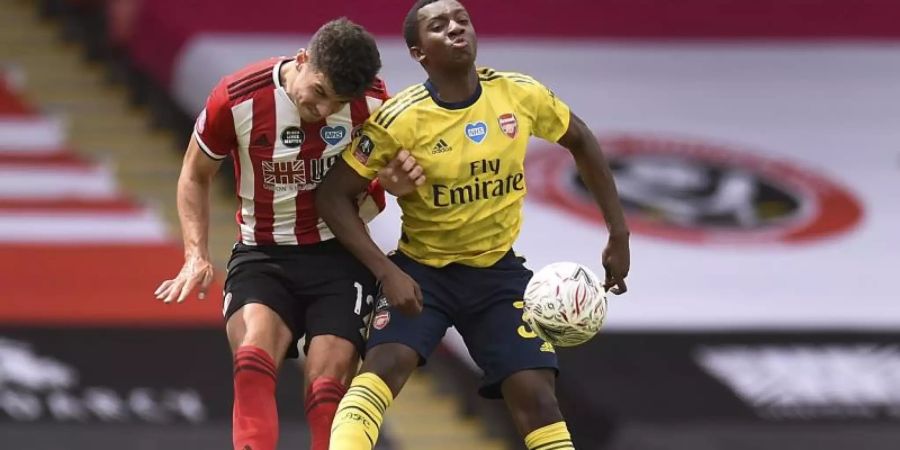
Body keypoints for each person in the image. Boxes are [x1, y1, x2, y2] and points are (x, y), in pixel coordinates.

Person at [316, 1, 631, 449]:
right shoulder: (400, 118)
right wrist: (387, 271)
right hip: (422, 271)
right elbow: (331, 195)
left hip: (497, 276)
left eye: (462, 20)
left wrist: (618, 234)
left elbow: (580, 138)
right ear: (417, 52)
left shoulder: (519, 95)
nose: (455, 28)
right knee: (383, 370)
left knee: (538, 399)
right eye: (438, 26)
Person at [152, 18, 423, 450]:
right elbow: (194, 174)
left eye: (335, 105)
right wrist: (195, 254)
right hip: (263, 255)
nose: (321, 111)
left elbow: (387, 176)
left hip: (340, 255)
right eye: (317, 94)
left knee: (327, 387)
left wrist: (397, 180)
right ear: (301, 60)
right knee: (253, 361)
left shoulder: (373, 104)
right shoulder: (238, 97)